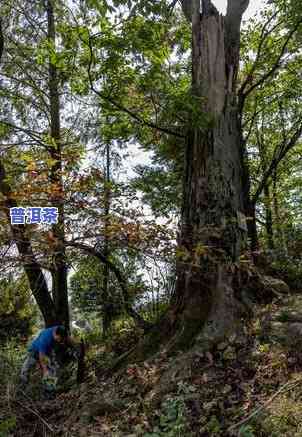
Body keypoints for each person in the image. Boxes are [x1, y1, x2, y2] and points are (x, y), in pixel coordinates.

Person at [20, 325, 75, 397]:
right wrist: (45, 370)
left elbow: (69, 339)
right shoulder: (45, 339)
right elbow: (41, 356)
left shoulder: (62, 330)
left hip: (48, 352)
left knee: (51, 370)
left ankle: (49, 393)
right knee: (26, 369)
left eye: (62, 339)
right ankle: (22, 389)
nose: (61, 341)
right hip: (35, 352)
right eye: (59, 339)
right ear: (55, 334)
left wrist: (75, 346)